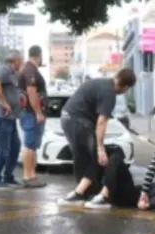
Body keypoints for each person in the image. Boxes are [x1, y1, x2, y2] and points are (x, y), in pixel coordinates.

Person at [57, 68, 138, 205]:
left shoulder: (101, 83)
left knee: (83, 158)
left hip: (68, 118)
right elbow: (101, 122)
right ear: (125, 86)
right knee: (91, 158)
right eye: (127, 89)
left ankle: (84, 192)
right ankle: (78, 195)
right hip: (79, 122)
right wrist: (100, 148)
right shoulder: (109, 93)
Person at [0, 50, 24, 188]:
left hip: (10, 118)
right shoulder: (4, 70)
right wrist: (4, 103)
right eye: (20, 60)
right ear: (14, 60)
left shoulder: (12, 73)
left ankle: (8, 176)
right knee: (3, 150)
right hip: (2, 118)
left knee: (15, 147)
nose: (21, 63)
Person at [17, 45, 48, 188]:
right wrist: (38, 112)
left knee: (33, 145)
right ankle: (27, 176)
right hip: (30, 113)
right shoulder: (30, 69)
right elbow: (31, 92)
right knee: (29, 145)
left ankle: (32, 175)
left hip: (30, 112)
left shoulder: (29, 68)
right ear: (39, 55)